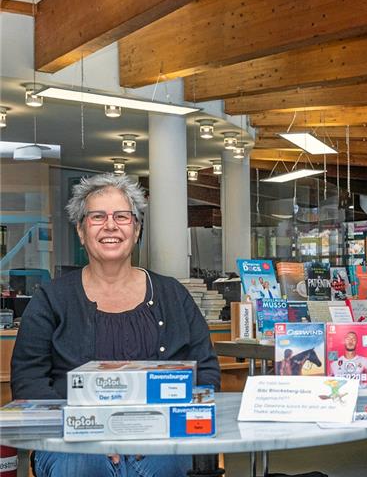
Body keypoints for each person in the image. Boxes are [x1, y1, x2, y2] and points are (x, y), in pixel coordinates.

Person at [11, 174, 221, 477]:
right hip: (72, 443)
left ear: (136, 230)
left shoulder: (173, 295)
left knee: (168, 463)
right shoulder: (52, 298)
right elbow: (29, 381)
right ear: (81, 232)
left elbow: (206, 374)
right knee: (81, 465)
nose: (111, 225)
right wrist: (87, 433)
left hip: (161, 439)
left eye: (122, 216)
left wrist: (160, 428)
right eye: (97, 217)